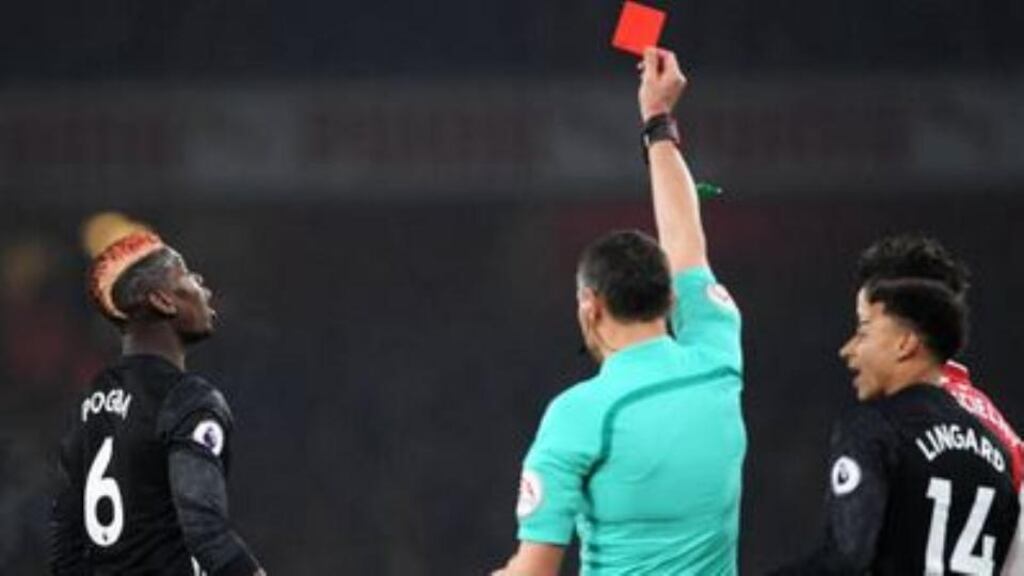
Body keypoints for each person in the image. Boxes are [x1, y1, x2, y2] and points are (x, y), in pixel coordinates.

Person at [493, 47, 746, 575]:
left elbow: (533, 571)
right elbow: (686, 241)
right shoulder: (718, 358)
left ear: (591, 305)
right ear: (672, 298)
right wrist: (657, 121)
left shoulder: (577, 416)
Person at [770, 239, 1021, 574]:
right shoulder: (997, 437)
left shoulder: (885, 425)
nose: (851, 347)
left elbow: (849, 555)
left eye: (865, 327)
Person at [49, 231, 265, 576]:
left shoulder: (88, 406)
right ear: (164, 301)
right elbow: (205, 531)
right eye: (187, 275)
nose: (202, 285)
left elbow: (66, 549)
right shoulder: (187, 399)